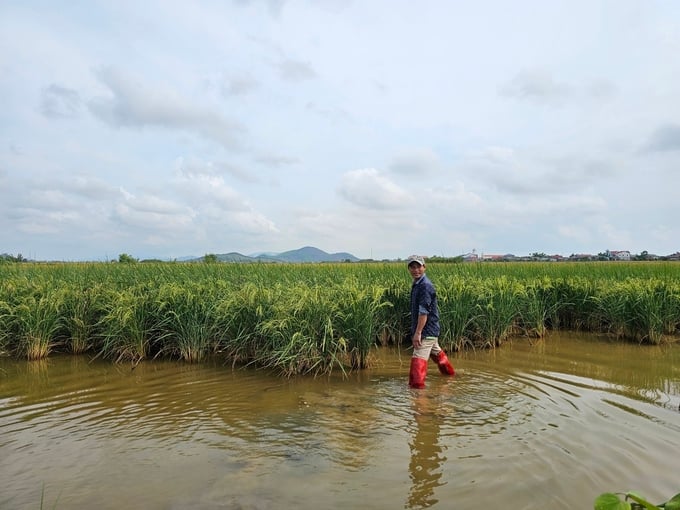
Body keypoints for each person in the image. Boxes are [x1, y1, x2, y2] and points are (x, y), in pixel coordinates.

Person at [406, 255, 455, 388]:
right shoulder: (418, 283)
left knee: (417, 362)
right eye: (412, 267)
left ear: (424, 267)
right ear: (409, 269)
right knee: (438, 356)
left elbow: (424, 312)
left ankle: (417, 396)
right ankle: (451, 377)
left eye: (418, 267)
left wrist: (418, 333)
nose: (416, 270)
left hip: (426, 331)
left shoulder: (425, 286)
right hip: (431, 329)